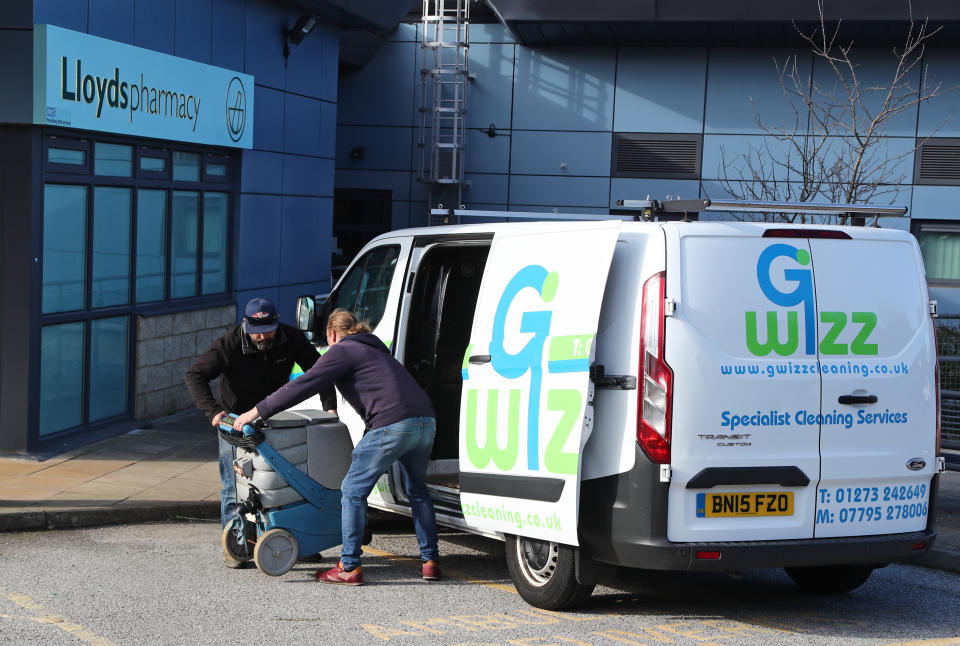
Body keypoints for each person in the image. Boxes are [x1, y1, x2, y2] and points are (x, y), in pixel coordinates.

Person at [232, 308, 440, 585]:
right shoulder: (377, 351)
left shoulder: (342, 351)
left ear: (331, 334)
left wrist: (255, 412)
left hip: (393, 424)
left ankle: (349, 566)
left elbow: (303, 385)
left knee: (352, 491)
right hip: (426, 421)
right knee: (417, 491)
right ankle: (431, 562)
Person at [185, 297, 334, 567]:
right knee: (235, 487)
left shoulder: (291, 338)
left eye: (268, 330)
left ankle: (299, 542)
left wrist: (330, 409)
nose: (263, 336)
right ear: (246, 324)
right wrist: (213, 412)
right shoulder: (229, 343)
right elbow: (194, 375)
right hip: (234, 424)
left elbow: (320, 372)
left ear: (277, 323)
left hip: (272, 421)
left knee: (285, 485)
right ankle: (237, 547)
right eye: (257, 332)